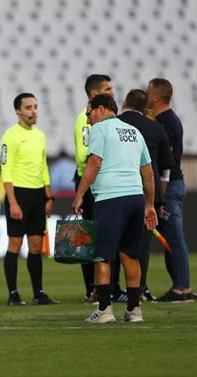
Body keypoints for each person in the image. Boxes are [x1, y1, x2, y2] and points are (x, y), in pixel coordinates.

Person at [73, 94, 157, 323]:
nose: (88, 119)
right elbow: (148, 173)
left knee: (102, 256)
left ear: (100, 109)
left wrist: (79, 194)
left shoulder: (100, 130)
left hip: (110, 198)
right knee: (130, 255)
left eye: (89, 112)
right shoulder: (134, 132)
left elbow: (94, 163)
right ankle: (134, 310)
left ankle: (104, 310)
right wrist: (149, 205)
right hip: (135, 198)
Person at [0, 93, 59, 306]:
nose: (33, 111)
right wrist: (13, 202)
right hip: (19, 194)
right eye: (28, 108)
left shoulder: (40, 135)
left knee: (35, 246)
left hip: (37, 195)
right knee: (14, 245)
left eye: (35, 107)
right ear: (18, 111)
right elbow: (5, 170)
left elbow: (43, 166)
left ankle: (38, 293)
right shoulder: (10, 136)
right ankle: (13, 294)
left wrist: (48, 195)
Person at [73, 74, 126, 304]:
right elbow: (86, 155)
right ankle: (94, 290)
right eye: (107, 88)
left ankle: (110, 288)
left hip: (102, 181)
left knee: (109, 237)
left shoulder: (109, 123)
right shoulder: (86, 121)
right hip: (91, 182)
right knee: (90, 238)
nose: (113, 91)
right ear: (95, 94)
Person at [118, 89, 173, 302]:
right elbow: (166, 165)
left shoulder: (114, 125)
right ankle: (139, 289)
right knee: (142, 246)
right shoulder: (157, 128)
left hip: (119, 191)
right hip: (149, 194)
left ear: (125, 102)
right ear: (145, 107)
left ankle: (113, 289)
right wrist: (159, 198)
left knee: (114, 243)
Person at [146, 78, 194, 303]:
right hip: (174, 183)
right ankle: (180, 286)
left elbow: (166, 163)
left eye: (149, 92)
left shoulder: (165, 122)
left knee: (174, 239)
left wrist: (161, 196)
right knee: (171, 238)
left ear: (155, 97)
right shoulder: (169, 119)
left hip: (170, 185)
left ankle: (182, 289)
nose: (146, 95)